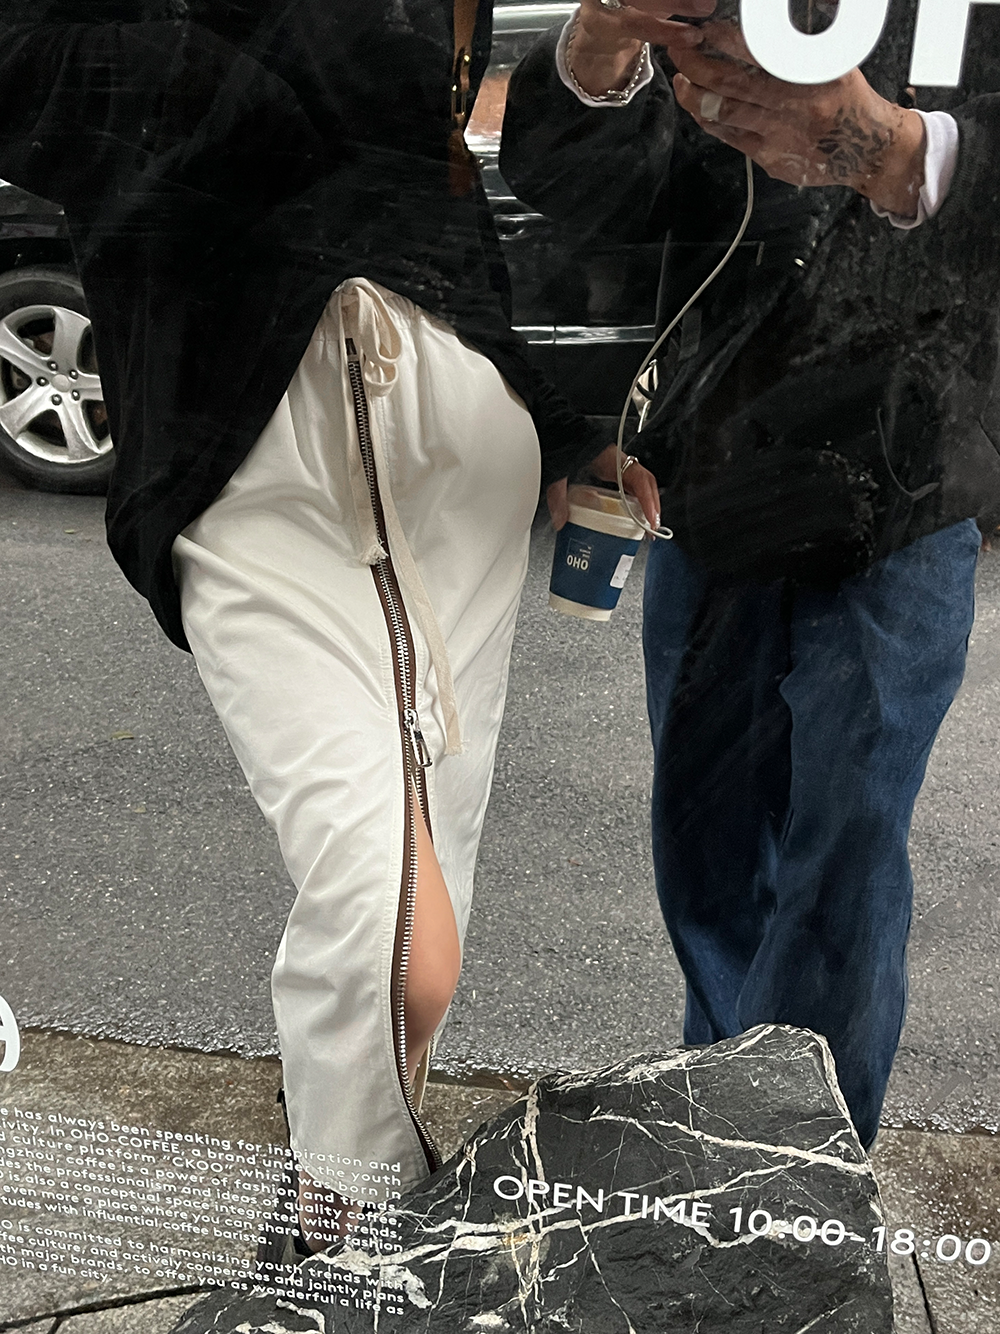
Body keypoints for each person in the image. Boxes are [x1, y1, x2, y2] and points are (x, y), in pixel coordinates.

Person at [0, 0, 662, 1252]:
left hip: (462, 458)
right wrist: (262, 86)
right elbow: (45, 80)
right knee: (385, 923)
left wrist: (561, 422)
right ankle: (344, 1219)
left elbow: (438, 198)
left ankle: (330, 1220)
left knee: (432, 899)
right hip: (253, 466)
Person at [500, 0, 1000, 1149]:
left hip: (908, 476)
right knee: (707, 843)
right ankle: (727, 1127)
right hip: (714, 473)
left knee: (843, 842)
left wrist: (896, 153)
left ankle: (800, 1161)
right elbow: (586, 195)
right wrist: (601, 41)